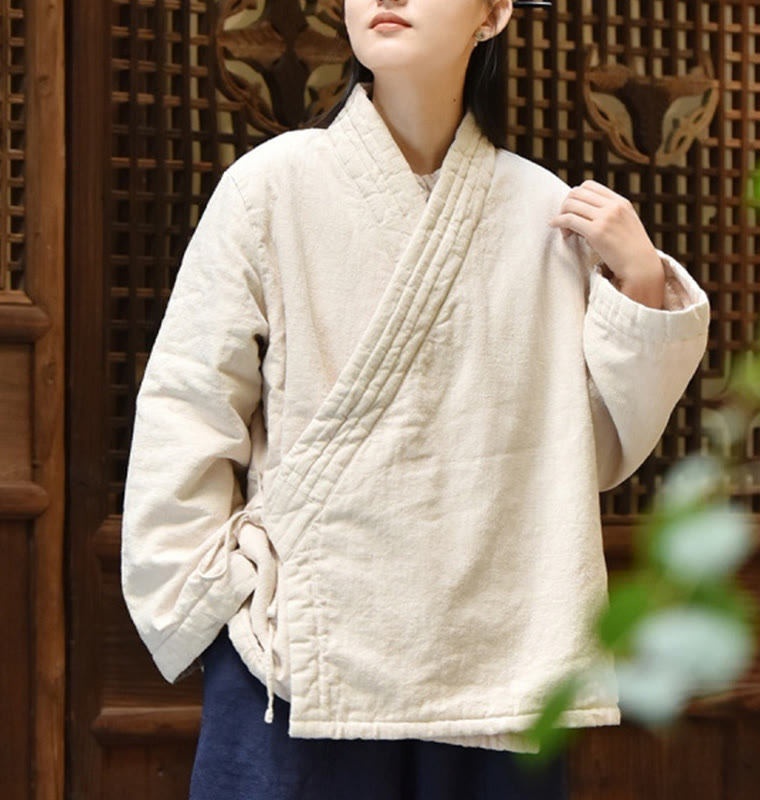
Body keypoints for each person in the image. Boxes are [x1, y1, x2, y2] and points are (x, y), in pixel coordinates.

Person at [120, 0, 711, 797]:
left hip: (497, 649)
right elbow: (188, 403)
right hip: (303, 644)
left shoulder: (545, 213)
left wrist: (639, 281)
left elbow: (589, 453)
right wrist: (212, 593)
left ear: (494, 13)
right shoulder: (270, 186)